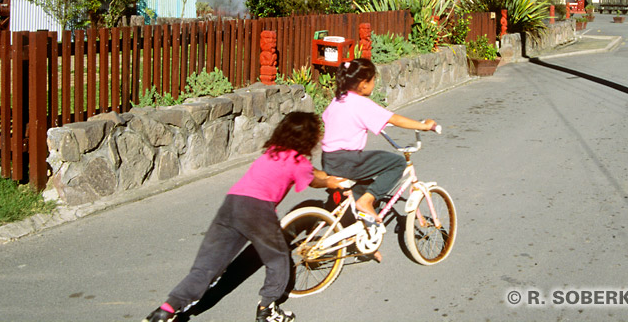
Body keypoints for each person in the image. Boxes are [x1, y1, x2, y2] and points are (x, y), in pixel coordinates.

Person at [143, 111, 344, 322]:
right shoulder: (297, 161)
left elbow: (311, 172)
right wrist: (334, 182)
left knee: (207, 267)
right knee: (278, 259)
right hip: (258, 210)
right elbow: (315, 179)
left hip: (231, 205)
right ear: (308, 138)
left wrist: (326, 176)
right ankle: (267, 310)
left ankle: (165, 310)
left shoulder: (273, 152)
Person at [320, 58, 438, 251]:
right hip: (347, 160)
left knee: (365, 183)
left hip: (328, 159)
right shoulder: (361, 104)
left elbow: (331, 119)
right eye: (373, 80)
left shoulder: (338, 99)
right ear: (363, 83)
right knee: (396, 163)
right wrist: (423, 126)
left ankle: (364, 234)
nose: (374, 84)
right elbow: (394, 118)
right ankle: (366, 201)